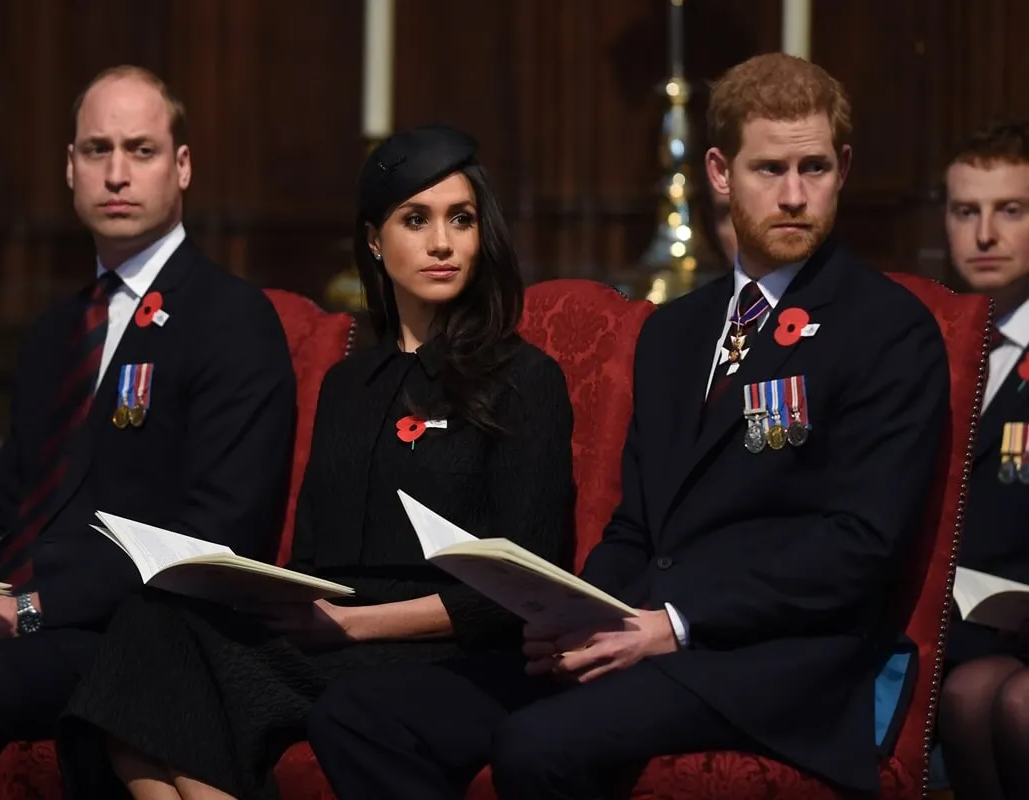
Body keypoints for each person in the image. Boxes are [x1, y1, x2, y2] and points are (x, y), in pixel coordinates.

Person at [307, 52, 950, 799]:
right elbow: (638, 529)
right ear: (719, 172)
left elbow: (858, 550)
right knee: (361, 716)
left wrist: (672, 622)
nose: (795, 195)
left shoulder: (888, 328)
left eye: (815, 168)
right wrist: (576, 612)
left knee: (537, 743)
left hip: (777, 663)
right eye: (770, 169)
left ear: (843, 167)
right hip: (641, 632)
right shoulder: (677, 331)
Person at [56, 124, 576, 800]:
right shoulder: (346, 386)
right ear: (373, 240)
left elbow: (525, 583)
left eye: (462, 219)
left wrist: (352, 624)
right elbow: (313, 561)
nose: (442, 243)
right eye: (415, 220)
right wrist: (267, 594)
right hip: (333, 635)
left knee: (174, 690)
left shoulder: (524, 378)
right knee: (151, 626)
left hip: (452, 647)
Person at [0, 65, 296, 798]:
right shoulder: (57, 330)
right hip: (11, 606)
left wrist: (25, 613)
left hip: (124, 634)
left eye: (140, 151)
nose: (116, 173)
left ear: (182, 167)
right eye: (96, 150)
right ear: (69, 168)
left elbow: (215, 537)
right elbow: (7, 511)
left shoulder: (229, 318)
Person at [936, 119, 1029, 800]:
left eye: (1011, 211)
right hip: (955, 628)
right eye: (966, 211)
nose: (985, 234)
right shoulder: (926, 341)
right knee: (970, 695)